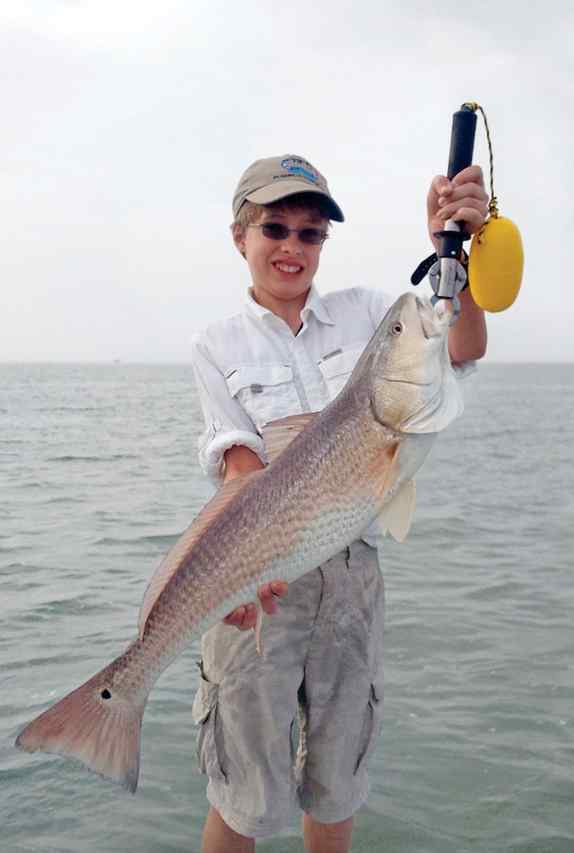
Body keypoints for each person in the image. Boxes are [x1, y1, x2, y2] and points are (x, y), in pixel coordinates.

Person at [191, 154, 488, 853]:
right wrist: (233, 575)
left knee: (337, 783)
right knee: (241, 796)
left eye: (311, 233)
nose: (293, 246)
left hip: (354, 578)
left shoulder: (369, 314)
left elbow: (465, 343)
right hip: (257, 578)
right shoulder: (216, 345)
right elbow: (242, 470)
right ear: (240, 235)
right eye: (276, 228)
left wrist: (457, 251)